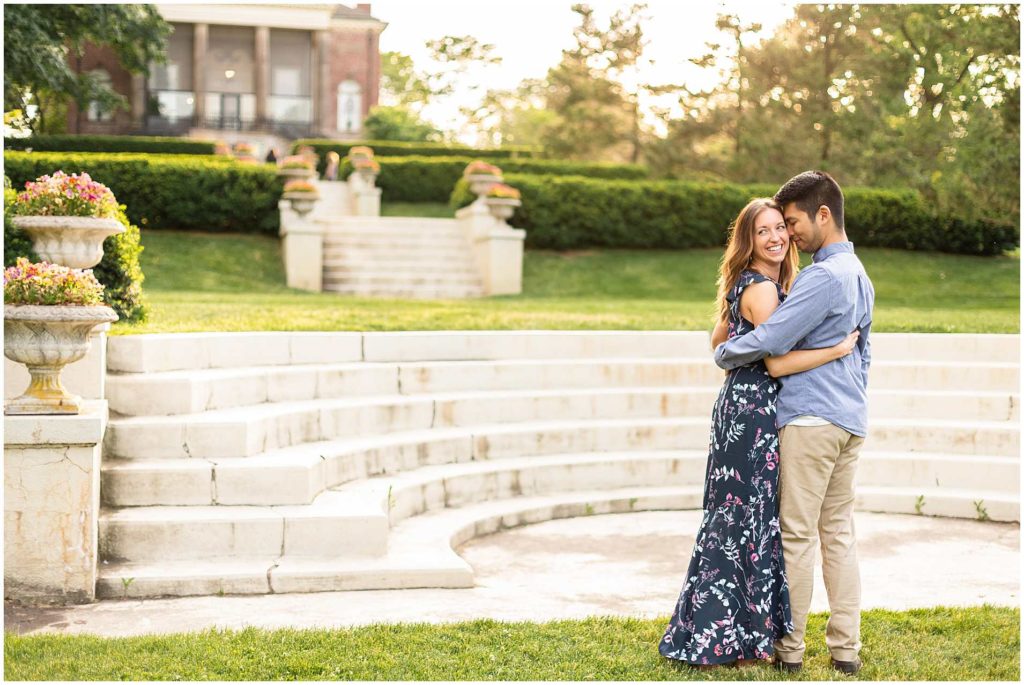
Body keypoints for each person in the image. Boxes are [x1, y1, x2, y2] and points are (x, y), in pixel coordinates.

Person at [659, 197, 860, 668]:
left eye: (780, 228)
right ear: (748, 240)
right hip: (753, 415)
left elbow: (719, 339)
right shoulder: (764, 290)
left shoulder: (755, 284)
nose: (775, 237)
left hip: (739, 409)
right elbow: (776, 360)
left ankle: (725, 632)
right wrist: (836, 350)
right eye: (764, 230)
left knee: (736, 523)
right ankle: (731, 638)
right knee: (746, 524)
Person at [713, 171, 874, 676]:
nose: (791, 234)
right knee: (839, 535)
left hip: (810, 421)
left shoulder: (821, 277)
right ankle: (846, 648)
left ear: (822, 214)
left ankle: (791, 648)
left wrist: (725, 353)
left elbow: (772, 339)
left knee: (798, 536)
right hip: (850, 420)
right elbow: (864, 354)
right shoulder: (861, 276)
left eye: (794, 221)